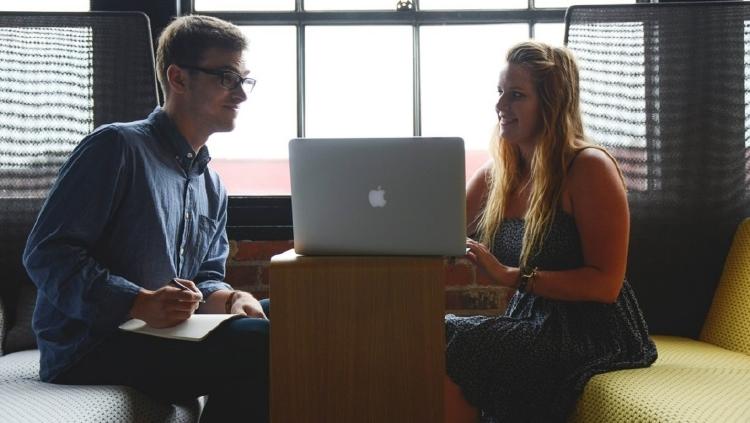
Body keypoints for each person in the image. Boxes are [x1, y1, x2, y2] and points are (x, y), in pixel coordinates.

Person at [23, 15, 269, 422]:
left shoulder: (211, 183)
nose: (241, 94)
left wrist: (228, 297)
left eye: (245, 80)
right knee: (261, 344)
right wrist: (136, 302)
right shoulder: (115, 147)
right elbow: (47, 253)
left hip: (164, 335)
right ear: (178, 78)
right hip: (92, 344)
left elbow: (205, 275)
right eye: (227, 77)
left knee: (290, 316)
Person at [444, 41, 657, 422]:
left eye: (516, 96)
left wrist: (513, 276)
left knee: (453, 342)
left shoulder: (588, 168)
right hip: (529, 320)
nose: (500, 107)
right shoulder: (498, 176)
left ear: (551, 103)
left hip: (592, 332)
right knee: (436, 335)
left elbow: (606, 285)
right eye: (500, 93)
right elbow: (439, 237)